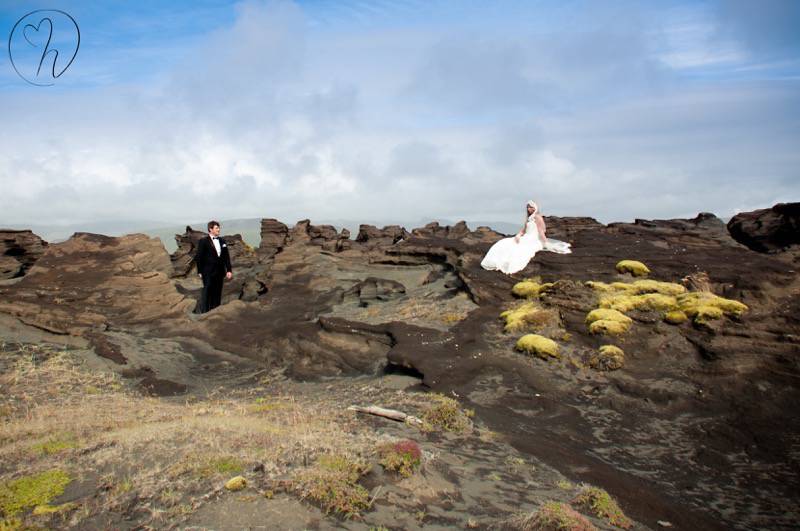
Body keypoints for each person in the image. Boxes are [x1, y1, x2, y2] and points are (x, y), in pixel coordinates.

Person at [481, 200, 571, 274]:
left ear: (535, 208)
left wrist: (545, 242)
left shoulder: (538, 217)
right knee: (503, 243)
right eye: (528, 207)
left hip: (534, 239)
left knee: (520, 250)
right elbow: (523, 230)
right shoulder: (529, 218)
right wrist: (518, 236)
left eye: (531, 207)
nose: (529, 209)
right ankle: (495, 262)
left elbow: (541, 231)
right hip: (526, 237)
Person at [194, 220, 233, 313]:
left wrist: (229, 270)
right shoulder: (203, 241)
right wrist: (200, 271)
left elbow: (226, 257)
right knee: (207, 291)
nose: (218, 230)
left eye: (218, 228)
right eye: (216, 228)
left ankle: (216, 311)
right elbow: (199, 257)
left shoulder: (222, 241)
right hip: (207, 272)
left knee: (218, 291)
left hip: (220, 271)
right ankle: (205, 312)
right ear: (210, 229)